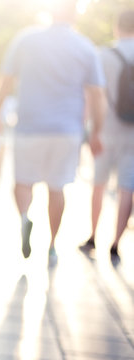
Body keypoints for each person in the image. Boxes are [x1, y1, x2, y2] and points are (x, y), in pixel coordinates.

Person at [0, 0, 106, 260]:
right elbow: (97, 95)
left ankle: (24, 217)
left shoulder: (26, 39)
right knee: (57, 187)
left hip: (29, 126)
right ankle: (52, 245)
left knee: (22, 182)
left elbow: (4, 80)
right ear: (76, 15)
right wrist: (97, 131)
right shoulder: (86, 48)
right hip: (66, 131)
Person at [80, 9, 134, 258]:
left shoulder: (102, 55)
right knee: (127, 187)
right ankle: (116, 244)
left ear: (117, 27)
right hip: (132, 134)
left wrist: (90, 128)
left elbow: (92, 94)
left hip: (105, 129)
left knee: (98, 185)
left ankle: (92, 237)